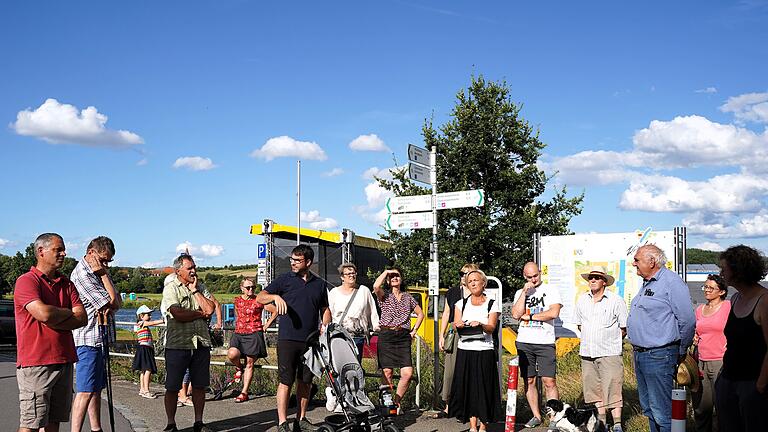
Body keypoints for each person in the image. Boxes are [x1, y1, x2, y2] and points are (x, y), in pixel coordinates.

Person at [14, 233, 87, 432]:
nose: (64, 253)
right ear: (41, 251)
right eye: (58, 249)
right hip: (36, 362)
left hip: (64, 359)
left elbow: (82, 318)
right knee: (31, 423)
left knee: (54, 421)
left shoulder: (67, 284)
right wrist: (66, 313)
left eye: (63, 249)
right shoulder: (27, 281)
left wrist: (56, 318)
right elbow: (43, 313)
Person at [256, 244, 329, 432]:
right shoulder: (284, 280)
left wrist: (325, 325)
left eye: (297, 260)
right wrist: (275, 297)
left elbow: (325, 309)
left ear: (309, 262)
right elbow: (260, 297)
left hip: (311, 341)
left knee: (305, 382)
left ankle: (301, 419)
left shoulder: (319, 284)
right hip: (287, 339)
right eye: (292, 259)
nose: (293, 263)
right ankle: (282, 423)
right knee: (286, 381)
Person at [627, 244, 695, 432]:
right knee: (649, 408)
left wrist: (680, 350)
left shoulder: (671, 282)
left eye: (637, 260)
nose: (634, 264)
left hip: (659, 354)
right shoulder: (648, 283)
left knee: (662, 412)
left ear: (652, 261)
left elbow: (688, 321)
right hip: (642, 354)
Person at [69, 236, 122, 432]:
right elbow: (113, 302)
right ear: (91, 253)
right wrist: (104, 274)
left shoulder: (97, 271)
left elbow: (117, 301)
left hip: (99, 339)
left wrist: (102, 272)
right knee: (84, 390)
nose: (106, 264)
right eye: (104, 259)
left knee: (95, 389)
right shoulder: (84, 273)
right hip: (88, 339)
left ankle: (96, 428)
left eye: (109, 261)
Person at [160, 254, 217, 432]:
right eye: (189, 268)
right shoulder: (171, 288)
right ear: (178, 271)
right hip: (178, 345)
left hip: (200, 343)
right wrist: (199, 314)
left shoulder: (200, 286)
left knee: (199, 385)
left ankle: (199, 422)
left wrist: (195, 291)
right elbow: (178, 314)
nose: (194, 271)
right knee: (172, 386)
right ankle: (171, 424)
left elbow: (210, 309)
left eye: (194, 267)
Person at [715, 245, 768, 432]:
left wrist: (761, 385)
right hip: (729, 379)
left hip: (752, 383)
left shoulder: (764, 300)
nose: (721, 273)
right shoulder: (735, 298)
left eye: (724, 268)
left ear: (739, 270)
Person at [573, 265, 628, 432]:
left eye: (597, 277)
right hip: (588, 353)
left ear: (604, 281)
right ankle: (602, 423)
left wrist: (608, 339)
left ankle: (617, 423)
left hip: (609, 352)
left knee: (613, 388)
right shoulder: (582, 299)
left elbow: (623, 327)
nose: (593, 280)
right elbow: (580, 324)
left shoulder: (616, 300)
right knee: (594, 391)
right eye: (591, 277)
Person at [449, 269, 503, 432]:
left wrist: (480, 324)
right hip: (465, 350)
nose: (472, 283)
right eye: (469, 281)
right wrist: (458, 324)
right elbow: (456, 322)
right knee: (469, 388)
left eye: (475, 280)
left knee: (484, 388)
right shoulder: (461, 303)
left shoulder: (492, 303)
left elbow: (491, 327)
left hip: (484, 350)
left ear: (483, 283)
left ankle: (484, 425)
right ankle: (473, 426)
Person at [510, 261, 562, 428]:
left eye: (535, 276)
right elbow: (516, 314)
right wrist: (525, 293)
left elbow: (553, 312)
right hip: (525, 342)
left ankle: (554, 418)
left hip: (545, 342)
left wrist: (531, 317)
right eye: (529, 277)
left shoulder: (551, 290)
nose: (533, 279)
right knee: (529, 380)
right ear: (524, 276)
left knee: (549, 381)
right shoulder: (521, 291)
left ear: (540, 272)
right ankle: (536, 416)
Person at [372, 267, 425, 412]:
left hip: (403, 337)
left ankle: (396, 402)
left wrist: (414, 331)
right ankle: (387, 403)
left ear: (401, 279)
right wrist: (387, 272)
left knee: (407, 374)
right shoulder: (384, 296)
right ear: (388, 280)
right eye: (392, 276)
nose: (395, 278)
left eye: (397, 276)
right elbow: (376, 286)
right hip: (387, 335)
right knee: (387, 372)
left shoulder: (408, 297)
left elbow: (421, 314)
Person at [435, 263, 479, 418]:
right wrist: (441, 335)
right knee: (450, 370)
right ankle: (448, 406)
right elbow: (446, 313)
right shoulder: (453, 292)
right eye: (461, 273)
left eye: (466, 273)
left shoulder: (478, 292)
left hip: (473, 333)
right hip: (454, 333)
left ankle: (468, 407)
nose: (463, 276)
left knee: (469, 369)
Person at [227, 277, 277, 403]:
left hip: (254, 333)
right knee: (232, 354)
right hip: (239, 333)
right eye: (248, 287)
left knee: (250, 363)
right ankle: (238, 367)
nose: (251, 290)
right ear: (242, 288)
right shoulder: (237, 300)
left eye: (253, 287)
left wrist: (266, 325)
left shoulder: (259, 300)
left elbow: (275, 311)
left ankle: (244, 392)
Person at [691, 274, 730, 432]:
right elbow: (699, 331)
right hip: (701, 361)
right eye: (705, 287)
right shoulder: (700, 309)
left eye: (710, 288)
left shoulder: (728, 306)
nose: (706, 290)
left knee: (723, 407)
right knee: (701, 406)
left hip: (721, 361)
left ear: (721, 292)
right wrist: (695, 336)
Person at [322, 263, 380, 362]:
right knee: (339, 366)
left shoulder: (364, 291)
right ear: (342, 277)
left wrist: (376, 327)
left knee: (354, 367)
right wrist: (324, 329)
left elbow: (372, 310)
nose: (351, 276)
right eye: (348, 274)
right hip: (338, 336)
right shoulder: (334, 293)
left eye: (353, 273)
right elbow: (328, 313)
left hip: (357, 336)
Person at [132, 305, 164, 399]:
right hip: (145, 348)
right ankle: (146, 390)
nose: (150, 316)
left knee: (143, 370)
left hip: (143, 348)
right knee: (148, 369)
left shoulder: (140, 323)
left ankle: (142, 389)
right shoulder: (142, 323)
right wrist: (163, 320)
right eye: (148, 314)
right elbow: (153, 323)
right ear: (141, 316)